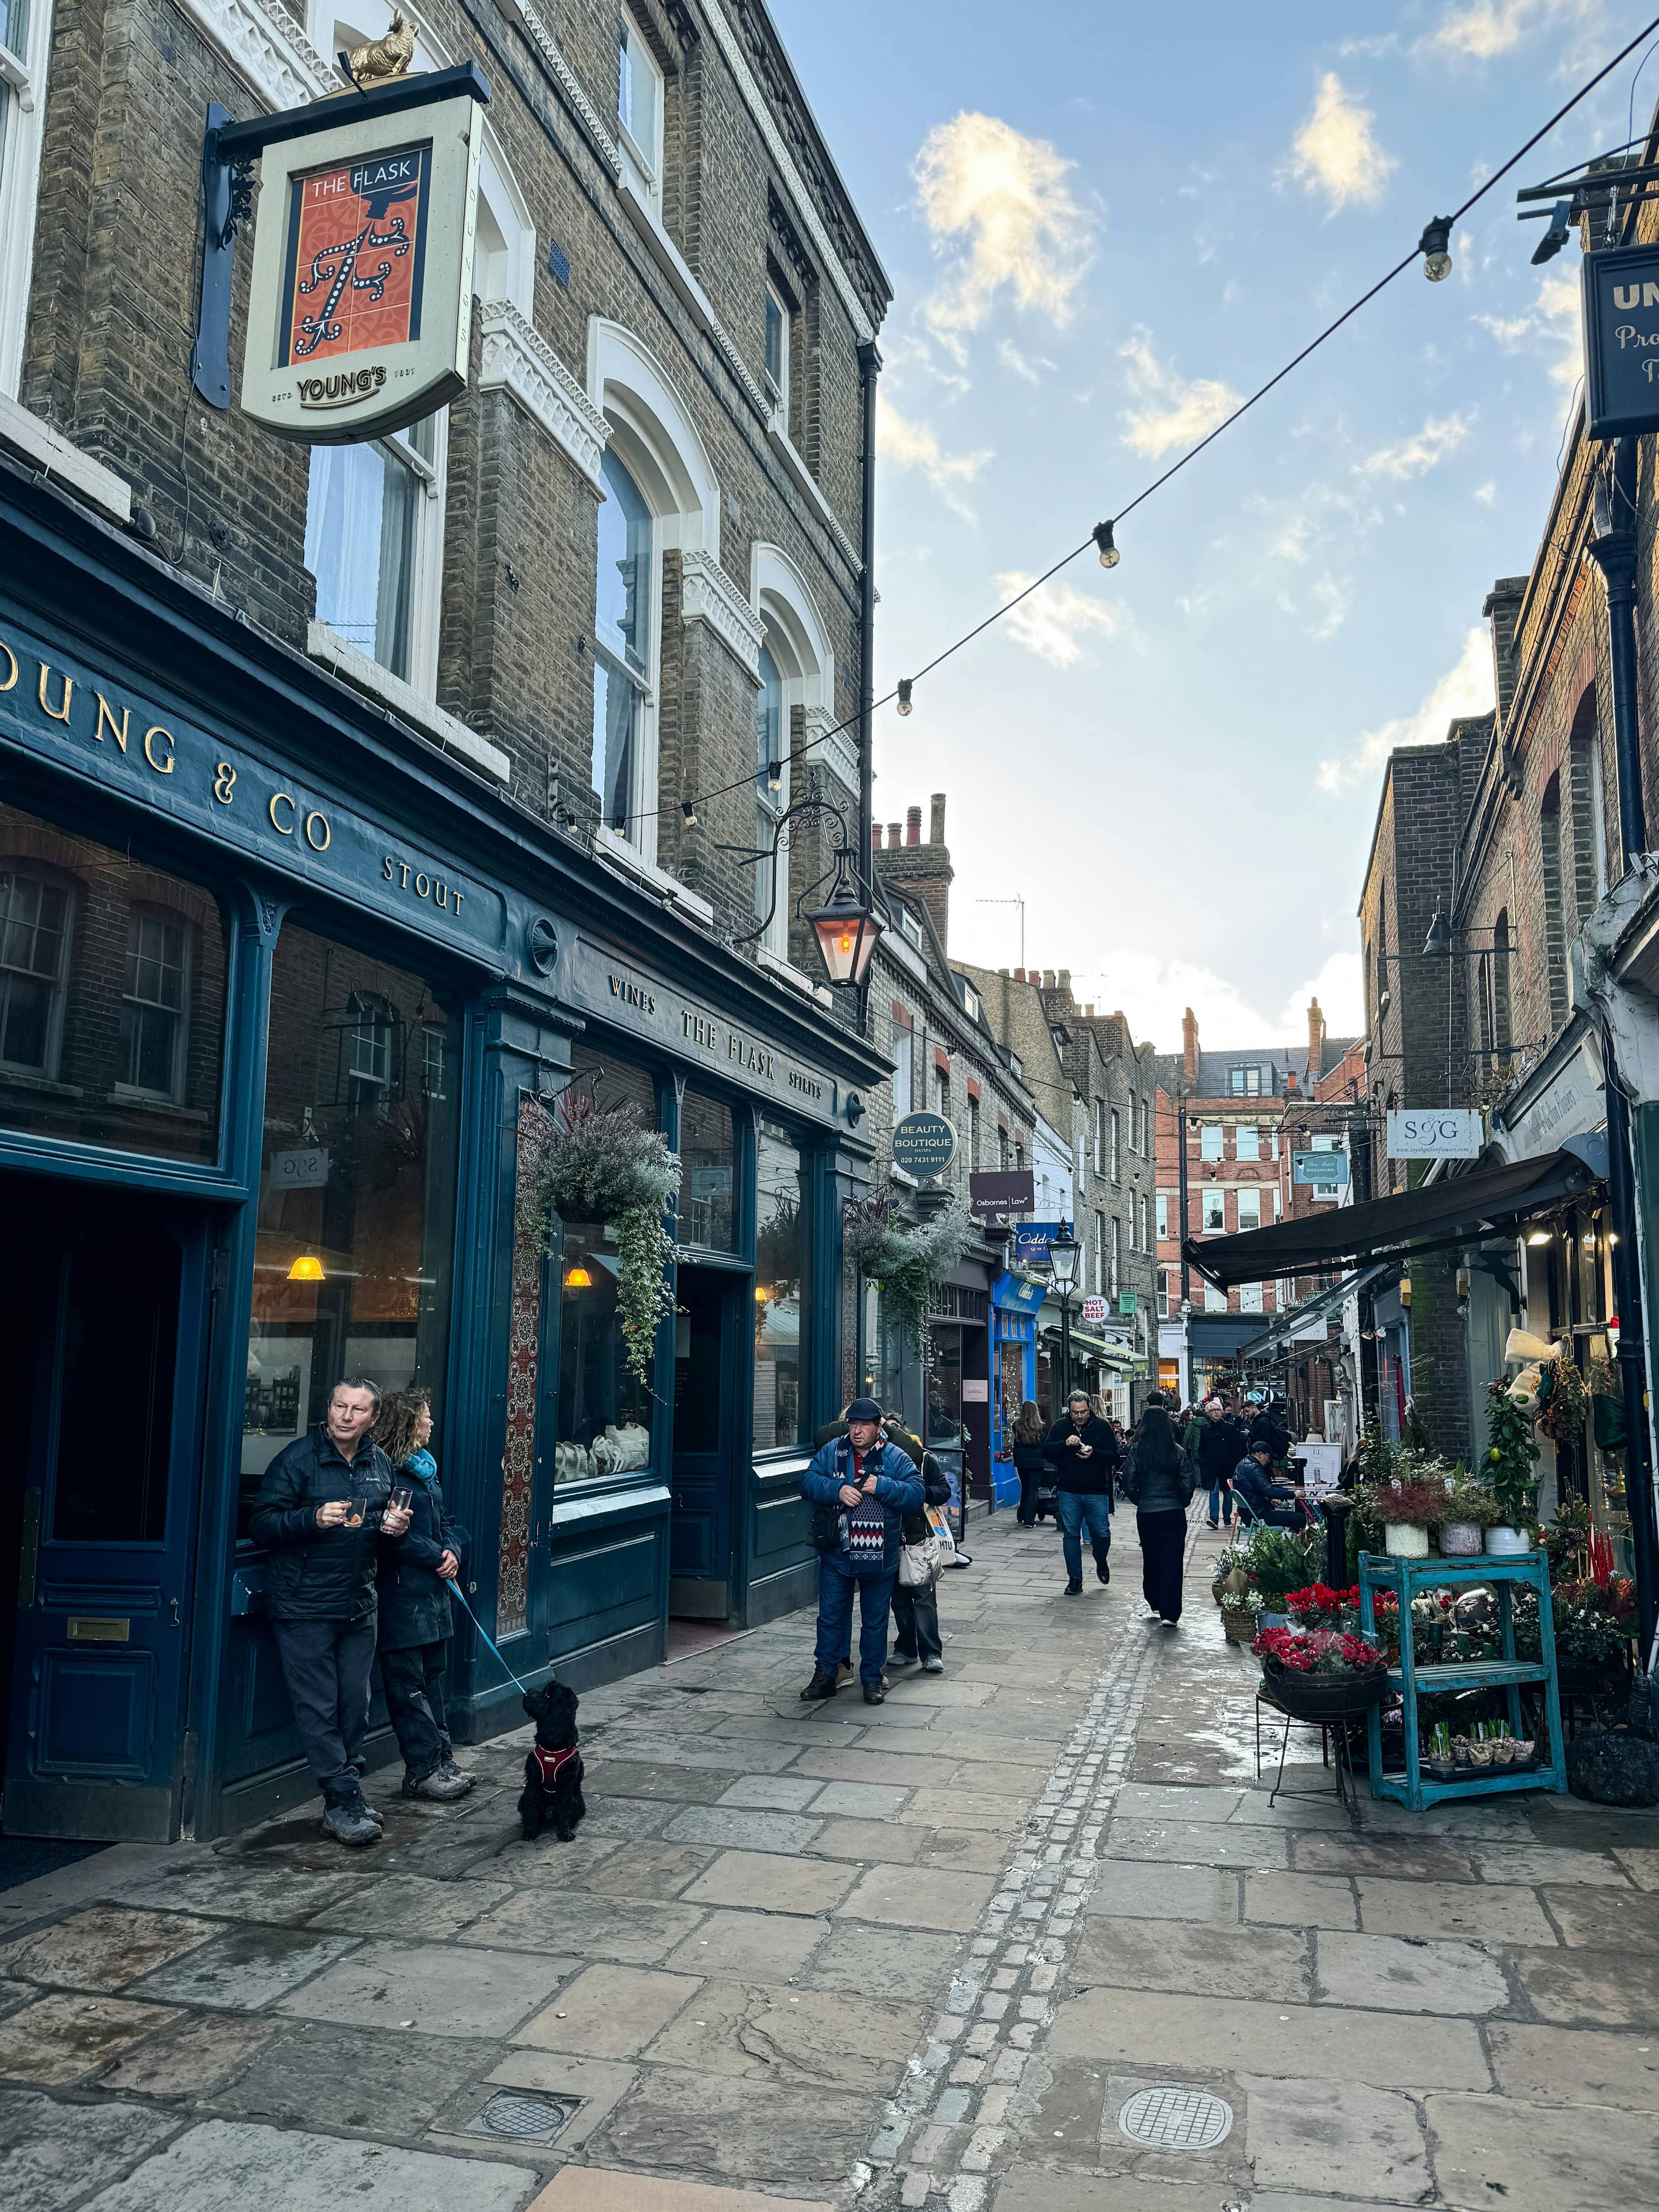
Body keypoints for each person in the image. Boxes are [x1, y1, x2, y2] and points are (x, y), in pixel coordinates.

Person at [250, 1377, 411, 1846]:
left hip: (358, 1603)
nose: (346, 1415)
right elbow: (261, 1524)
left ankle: (346, 1793)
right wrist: (311, 1518)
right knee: (319, 1708)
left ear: (373, 1419)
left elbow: (379, 1526)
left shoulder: (378, 1462)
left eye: (358, 1410)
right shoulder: (297, 1459)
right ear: (328, 1408)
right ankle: (343, 1800)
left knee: (354, 1706)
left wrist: (394, 1526)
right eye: (340, 1405)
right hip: (304, 1605)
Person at [373, 1387, 473, 1802]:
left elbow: (446, 1521)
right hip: (401, 1597)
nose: (432, 1422)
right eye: (426, 1416)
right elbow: (391, 1538)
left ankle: (441, 1759)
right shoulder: (386, 1473)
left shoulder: (426, 1470)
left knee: (432, 1679)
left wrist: (454, 1550)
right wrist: (438, 1556)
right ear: (409, 1422)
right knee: (408, 1685)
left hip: (433, 1595)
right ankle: (423, 1770)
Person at [800, 1399, 923, 1704]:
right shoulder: (832, 1452)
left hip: (879, 1554)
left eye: (865, 1425)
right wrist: (836, 1490)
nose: (857, 1431)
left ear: (878, 1427)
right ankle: (827, 1674)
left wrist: (882, 1486)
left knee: (875, 1619)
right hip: (837, 1551)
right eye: (853, 1424)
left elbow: (917, 1494)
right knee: (830, 1617)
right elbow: (808, 1482)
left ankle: (871, 1679)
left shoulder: (895, 1456)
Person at [1122, 1395, 1196, 1626]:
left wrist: (1142, 1500)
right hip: (1173, 1512)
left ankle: (1154, 1599)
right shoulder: (1177, 1451)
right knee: (1173, 1560)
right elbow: (1188, 1481)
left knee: (1151, 1557)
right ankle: (1170, 1613)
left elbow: (1128, 1481)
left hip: (1148, 1513)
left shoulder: (1137, 1450)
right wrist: (1180, 1502)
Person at [1043, 1388, 1119, 1596]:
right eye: (1075, 1412)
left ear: (1089, 1409)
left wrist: (1094, 1454)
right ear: (1070, 1410)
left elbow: (1114, 1455)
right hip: (1069, 1490)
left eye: (1083, 1412)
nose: (1079, 1417)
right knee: (1071, 1535)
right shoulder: (1061, 1426)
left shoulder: (1102, 1427)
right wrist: (1064, 1444)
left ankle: (1100, 1558)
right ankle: (1075, 1580)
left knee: (1102, 1533)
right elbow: (1046, 1451)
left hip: (1096, 1491)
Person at [1191, 1395, 1243, 1530]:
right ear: (1209, 1413)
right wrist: (1204, 1462)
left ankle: (1227, 1518)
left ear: (1222, 1412)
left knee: (1227, 1492)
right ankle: (1214, 1518)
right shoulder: (1205, 1430)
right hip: (1211, 1466)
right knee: (1213, 1492)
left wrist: (1234, 1463)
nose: (1216, 1412)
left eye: (1218, 1410)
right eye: (1213, 1410)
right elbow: (1202, 1449)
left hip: (1227, 1465)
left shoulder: (1229, 1429)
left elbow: (1236, 1447)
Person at [1232, 1440, 1306, 1530]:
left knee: (1293, 1518)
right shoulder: (1254, 1468)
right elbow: (1269, 1491)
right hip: (1258, 1516)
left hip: (1248, 1514)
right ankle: (1292, 1542)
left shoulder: (1243, 1464)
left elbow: (1254, 1490)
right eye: (1268, 1457)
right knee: (1301, 1519)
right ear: (1260, 1455)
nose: (1269, 1460)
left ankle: (1289, 1539)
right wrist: (1293, 1494)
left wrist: (1270, 1500)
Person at [1009, 1400, 1049, 1527]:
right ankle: (1030, 1520)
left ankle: (1023, 1513)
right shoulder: (1042, 1427)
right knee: (1033, 1490)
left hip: (1022, 1462)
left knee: (1025, 1489)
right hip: (1037, 1462)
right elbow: (1045, 1445)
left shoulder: (1017, 1425)